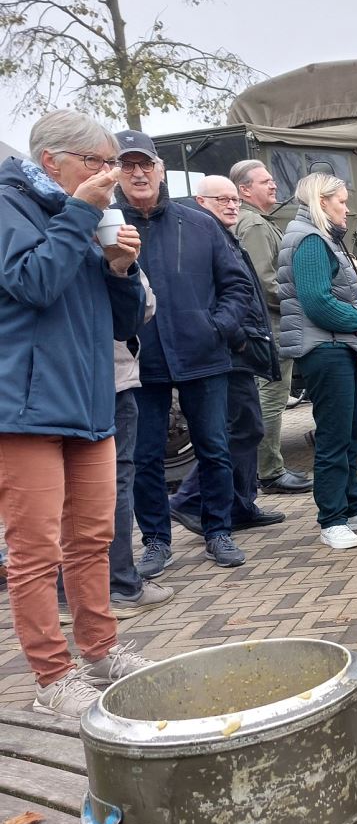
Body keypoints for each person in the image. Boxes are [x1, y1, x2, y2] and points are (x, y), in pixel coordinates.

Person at [0, 109, 154, 718]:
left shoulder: (84, 214)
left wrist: (121, 270)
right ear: (52, 162)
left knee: (93, 538)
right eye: (99, 163)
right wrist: (83, 213)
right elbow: (33, 282)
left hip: (91, 399)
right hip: (26, 409)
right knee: (34, 551)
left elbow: (119, 322)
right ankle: (51, 678)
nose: (111, 175)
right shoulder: (11, 206)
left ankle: (100, 648)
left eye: (112, 164)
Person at [116, 130, 254, 574]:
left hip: (203, 357)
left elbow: (236, 284)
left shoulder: (199, 223)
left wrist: (218, 327)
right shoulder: (105, 225)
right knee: (146, 456)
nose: (138, 173)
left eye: (145, 165)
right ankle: (156, 540)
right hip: (143, 362)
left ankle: (218, 531)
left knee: (214, 447)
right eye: (128, 166)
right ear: (116, 173)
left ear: (159, 170)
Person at [275, 173, 357, 549]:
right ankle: (331, 519)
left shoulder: (321, 238)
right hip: (325, 349)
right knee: (333, 435)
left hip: (336, 346)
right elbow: (317, 302)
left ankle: (354, 507)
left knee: (350, 432)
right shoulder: (311, 241)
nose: (348, 209)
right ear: (322, 202)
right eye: (341, 202)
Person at [168, 176, 286, 539]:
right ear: (200, 202)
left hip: (240, 348)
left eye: (235, 199)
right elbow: (214, 297)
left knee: (245, 427)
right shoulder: (197, 240)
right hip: (226, 351)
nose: (233, 205)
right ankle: (189, 499)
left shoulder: (226, 236)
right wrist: (231, 336)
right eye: (223, 199)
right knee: (239, 427)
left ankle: (240, 504)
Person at [235, 160, 312, 496]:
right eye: (265, 181)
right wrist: (302, 300)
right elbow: (265, 282)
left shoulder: (256, 222)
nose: (273, 185)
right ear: (244, 189)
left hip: (267, 324)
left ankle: (265, 469)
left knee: (266, 396)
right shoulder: (253, 225)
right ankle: (269, 471)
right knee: (271, 396)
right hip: (272, 325)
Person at [110, 265, 172, 614]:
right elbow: (143, 307)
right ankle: (120, 583)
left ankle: (65, 589)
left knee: (66, 493)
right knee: (116, 481)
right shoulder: (103, 231)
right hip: (109, 379)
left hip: (54, 386)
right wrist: (125, 265)